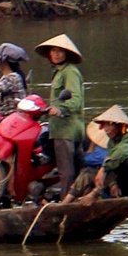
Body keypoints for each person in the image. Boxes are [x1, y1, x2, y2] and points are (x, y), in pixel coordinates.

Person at [36, 33, 85, 178]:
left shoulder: (70, 72)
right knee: (72, 169)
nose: (56, 54)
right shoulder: (58, 72)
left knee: (65, 171)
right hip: (60, 127)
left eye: (60, 51)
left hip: (66, 128)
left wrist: (60, 109)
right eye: (54, 50)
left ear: (66, 54)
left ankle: (66, 193)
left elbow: (76, 99)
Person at [83, 105, 128, 199]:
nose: (105, 129)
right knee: (92, 171)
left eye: (108, 125)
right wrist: (113, 184)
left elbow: (118, 155)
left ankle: (95, 194)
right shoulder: (111, 142)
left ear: (118, 126)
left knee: (119, 161)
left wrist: (103, 169)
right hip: (121, 183)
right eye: (104, 125)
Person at [0, 43, 29, 113]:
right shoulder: (7, 77)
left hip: (11, 117)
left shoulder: (13, 77)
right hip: (4, 117)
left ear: (3, 61)